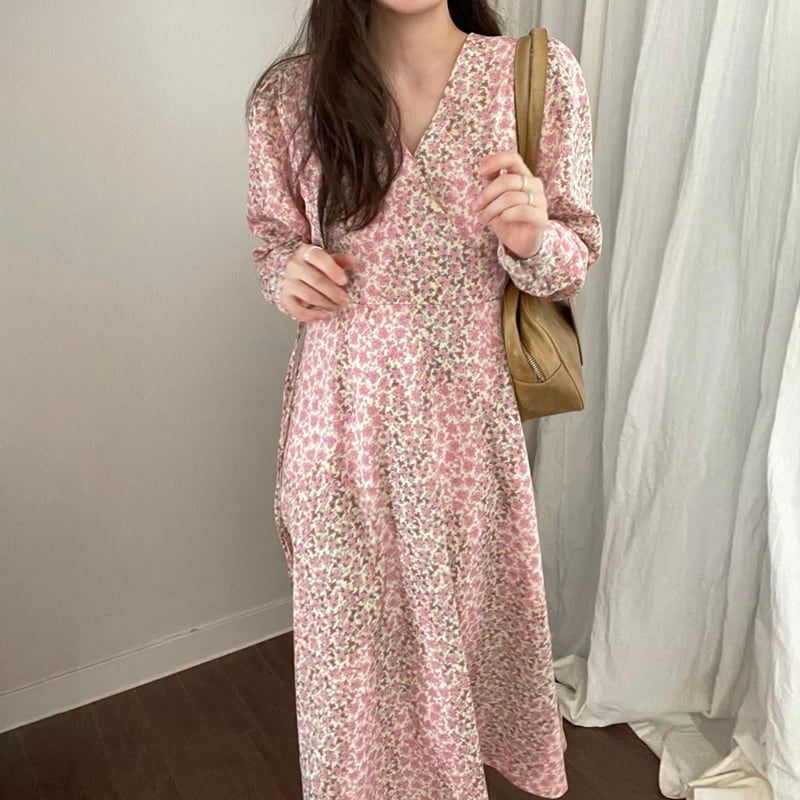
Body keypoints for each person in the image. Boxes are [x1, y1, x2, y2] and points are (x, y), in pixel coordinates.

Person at [244, 1, 602, 798]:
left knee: (459, 651)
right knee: (350, 680)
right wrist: (286, 276)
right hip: (339, 428)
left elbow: (572, 257)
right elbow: (272, 242)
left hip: (464, 435)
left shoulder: (534, 78)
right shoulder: (288, 97)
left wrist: (532, 236)